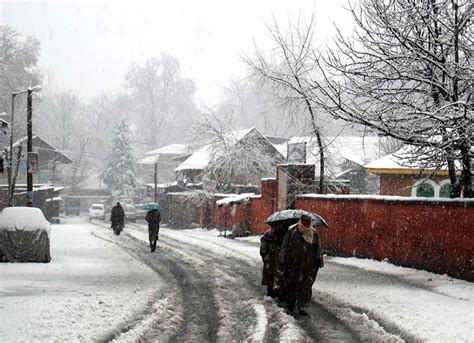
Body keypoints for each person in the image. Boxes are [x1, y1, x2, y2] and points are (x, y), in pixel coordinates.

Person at [274, 214, 324, 316]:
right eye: (304, 222)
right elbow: (285, 246)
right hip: (292, 263)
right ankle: (290, 303)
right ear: (300, 221)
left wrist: (319, 260)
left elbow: (318, 248)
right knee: (291, 282)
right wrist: (282, 259)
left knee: (305, 285)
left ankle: (302, 306)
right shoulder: (292, 231)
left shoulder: (313, 233)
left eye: (308, 222)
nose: (306, 224)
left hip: (308, 264)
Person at [259, 222, 288, 297]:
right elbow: (263, 251)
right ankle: (270, 293)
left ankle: (279, 294)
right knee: (270, 280)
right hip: (270, 262)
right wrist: (267, 259)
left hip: (280, 262)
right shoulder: (267, 236)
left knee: (281, 279)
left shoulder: (284, 236)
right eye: (277, 226)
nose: (279, 227)